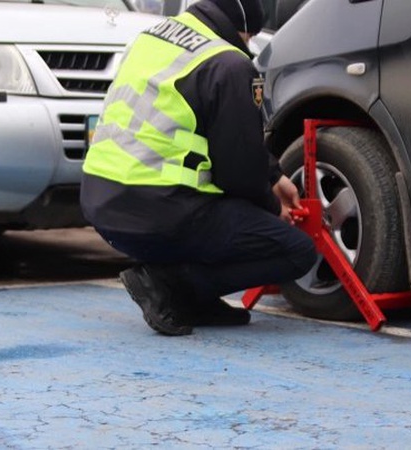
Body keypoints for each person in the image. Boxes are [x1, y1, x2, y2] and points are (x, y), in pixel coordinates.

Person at [80, 0, 317, 336]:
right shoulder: (228, 63)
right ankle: (170, 285)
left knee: (223, 215)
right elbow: (239, 175)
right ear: (245, 29)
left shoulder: (153, 37)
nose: (247, 46)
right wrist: (272, 204)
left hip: (102, 203)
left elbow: (206, 123)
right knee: (296, 251)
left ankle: (195, 298)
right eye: (248, 39)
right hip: (160, 211)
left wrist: (274, 175)